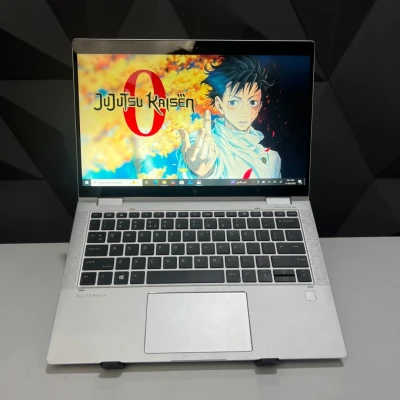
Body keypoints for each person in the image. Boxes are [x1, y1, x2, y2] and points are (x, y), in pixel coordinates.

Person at [177, 55, 281, 180]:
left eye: (252, 102)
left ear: (260, 106)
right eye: (234, 102)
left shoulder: (271, 159)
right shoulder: (202, 143)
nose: (244, 112)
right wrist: (201, 173)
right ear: (220, 105)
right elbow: (192, 167)